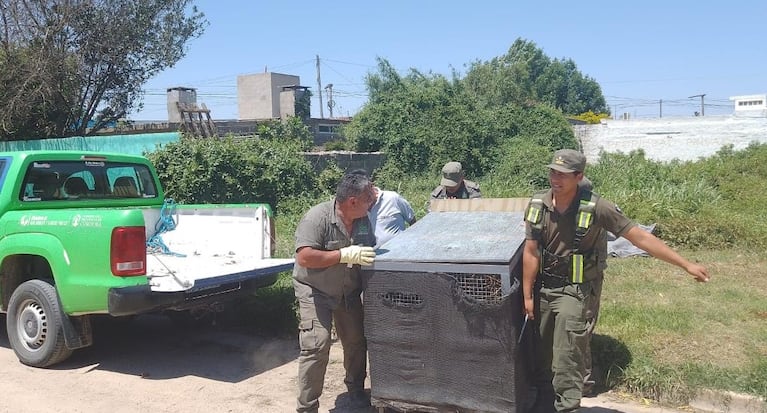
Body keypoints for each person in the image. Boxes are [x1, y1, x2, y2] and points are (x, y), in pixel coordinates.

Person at [522, 149, 710, 413]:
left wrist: (685, 264)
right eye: (553, 171)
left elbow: (639, 237)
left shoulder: (597, 206)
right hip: (545, 287)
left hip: (576, 290)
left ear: (579, 176)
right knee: (542, 354)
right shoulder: (538, 204)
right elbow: (531, 251)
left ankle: (567, 407)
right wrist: (528, 295)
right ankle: (544, 403)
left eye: (563, 174)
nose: (556, 178)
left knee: (567, 355)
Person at [292, 172, 377, 413]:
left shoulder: (362, 220)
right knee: (316, 345)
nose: (371, 204)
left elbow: (368, 251)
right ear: (353, 202)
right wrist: (343, 255)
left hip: (347, 291)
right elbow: (305, 257)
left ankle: (356, 393)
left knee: (356, 342)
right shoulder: (317, 218)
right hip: (315, 289)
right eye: (368, 199)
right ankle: (307, 408)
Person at [349, 169, 417, 248]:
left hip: (399, 254)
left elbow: (413, 221)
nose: (361, 198)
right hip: (373, 256)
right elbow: (362, 232)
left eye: (363, 193)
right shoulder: (358, 209)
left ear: (371, 186)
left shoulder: (393, 198)